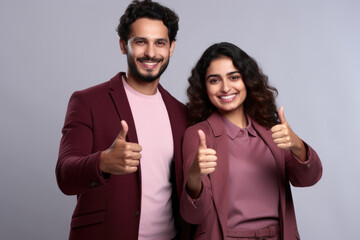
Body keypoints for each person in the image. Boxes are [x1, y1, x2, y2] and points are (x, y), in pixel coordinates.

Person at [56, 1, 188, 239]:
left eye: (160, 42)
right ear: (123, 45)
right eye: (140, 41)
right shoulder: (87, 101)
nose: (150, 52)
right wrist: (103, 162)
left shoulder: (183, 114)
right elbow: (65, 176)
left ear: (171, 48)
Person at [180, 42, 322, 240]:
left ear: (247, 80)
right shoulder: (199, 134)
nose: (225, 87)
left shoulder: (271, 130)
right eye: (214, 80)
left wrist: (297, 145)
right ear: (204, 87)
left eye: (234, 77)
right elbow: (193, 214)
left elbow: (308, 179)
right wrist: (194, 176)